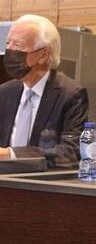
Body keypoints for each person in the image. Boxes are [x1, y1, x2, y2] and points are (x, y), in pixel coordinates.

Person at [0, 15, 88, 167]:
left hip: (42, 179)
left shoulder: (71, 95)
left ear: (43, 55)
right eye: (8, 43)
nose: (10, 51)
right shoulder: (5, 92)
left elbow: (70, 152)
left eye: (19, 46)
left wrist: (11, 154)